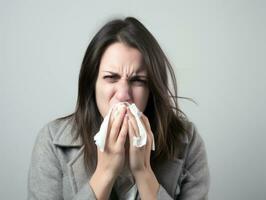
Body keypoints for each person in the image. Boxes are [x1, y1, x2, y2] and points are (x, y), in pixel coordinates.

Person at [28, 17, 210, 200]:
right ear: (92, 83)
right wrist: (105, 172)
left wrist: (143, 172)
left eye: (138, 80)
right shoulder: (52, 142)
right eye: (111, 77)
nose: (123, 95)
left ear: (152, 89)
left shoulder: (187, 142)